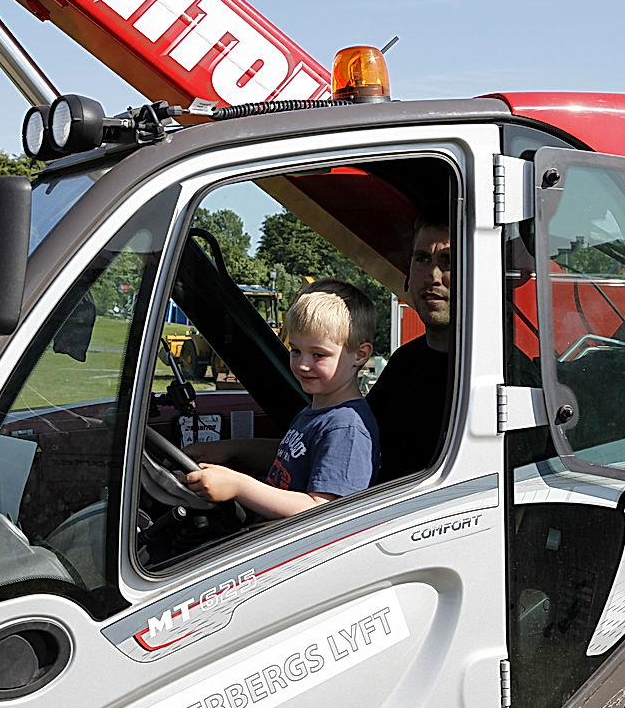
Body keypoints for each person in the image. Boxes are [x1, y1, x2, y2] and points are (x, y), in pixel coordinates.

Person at [183, 279, 380, 519]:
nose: (302, 365)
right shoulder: (319, 411)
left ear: (360, 355)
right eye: (295, 351)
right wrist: (230, 450)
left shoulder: (346, 428)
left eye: (318, 354)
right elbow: (291, 456)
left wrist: (238, 486)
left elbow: (323, 511)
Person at [366, 219, 452, 481]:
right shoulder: (404, 361)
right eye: (422, 259)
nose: (433, 276)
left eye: (448, 260)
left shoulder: (505, 376)